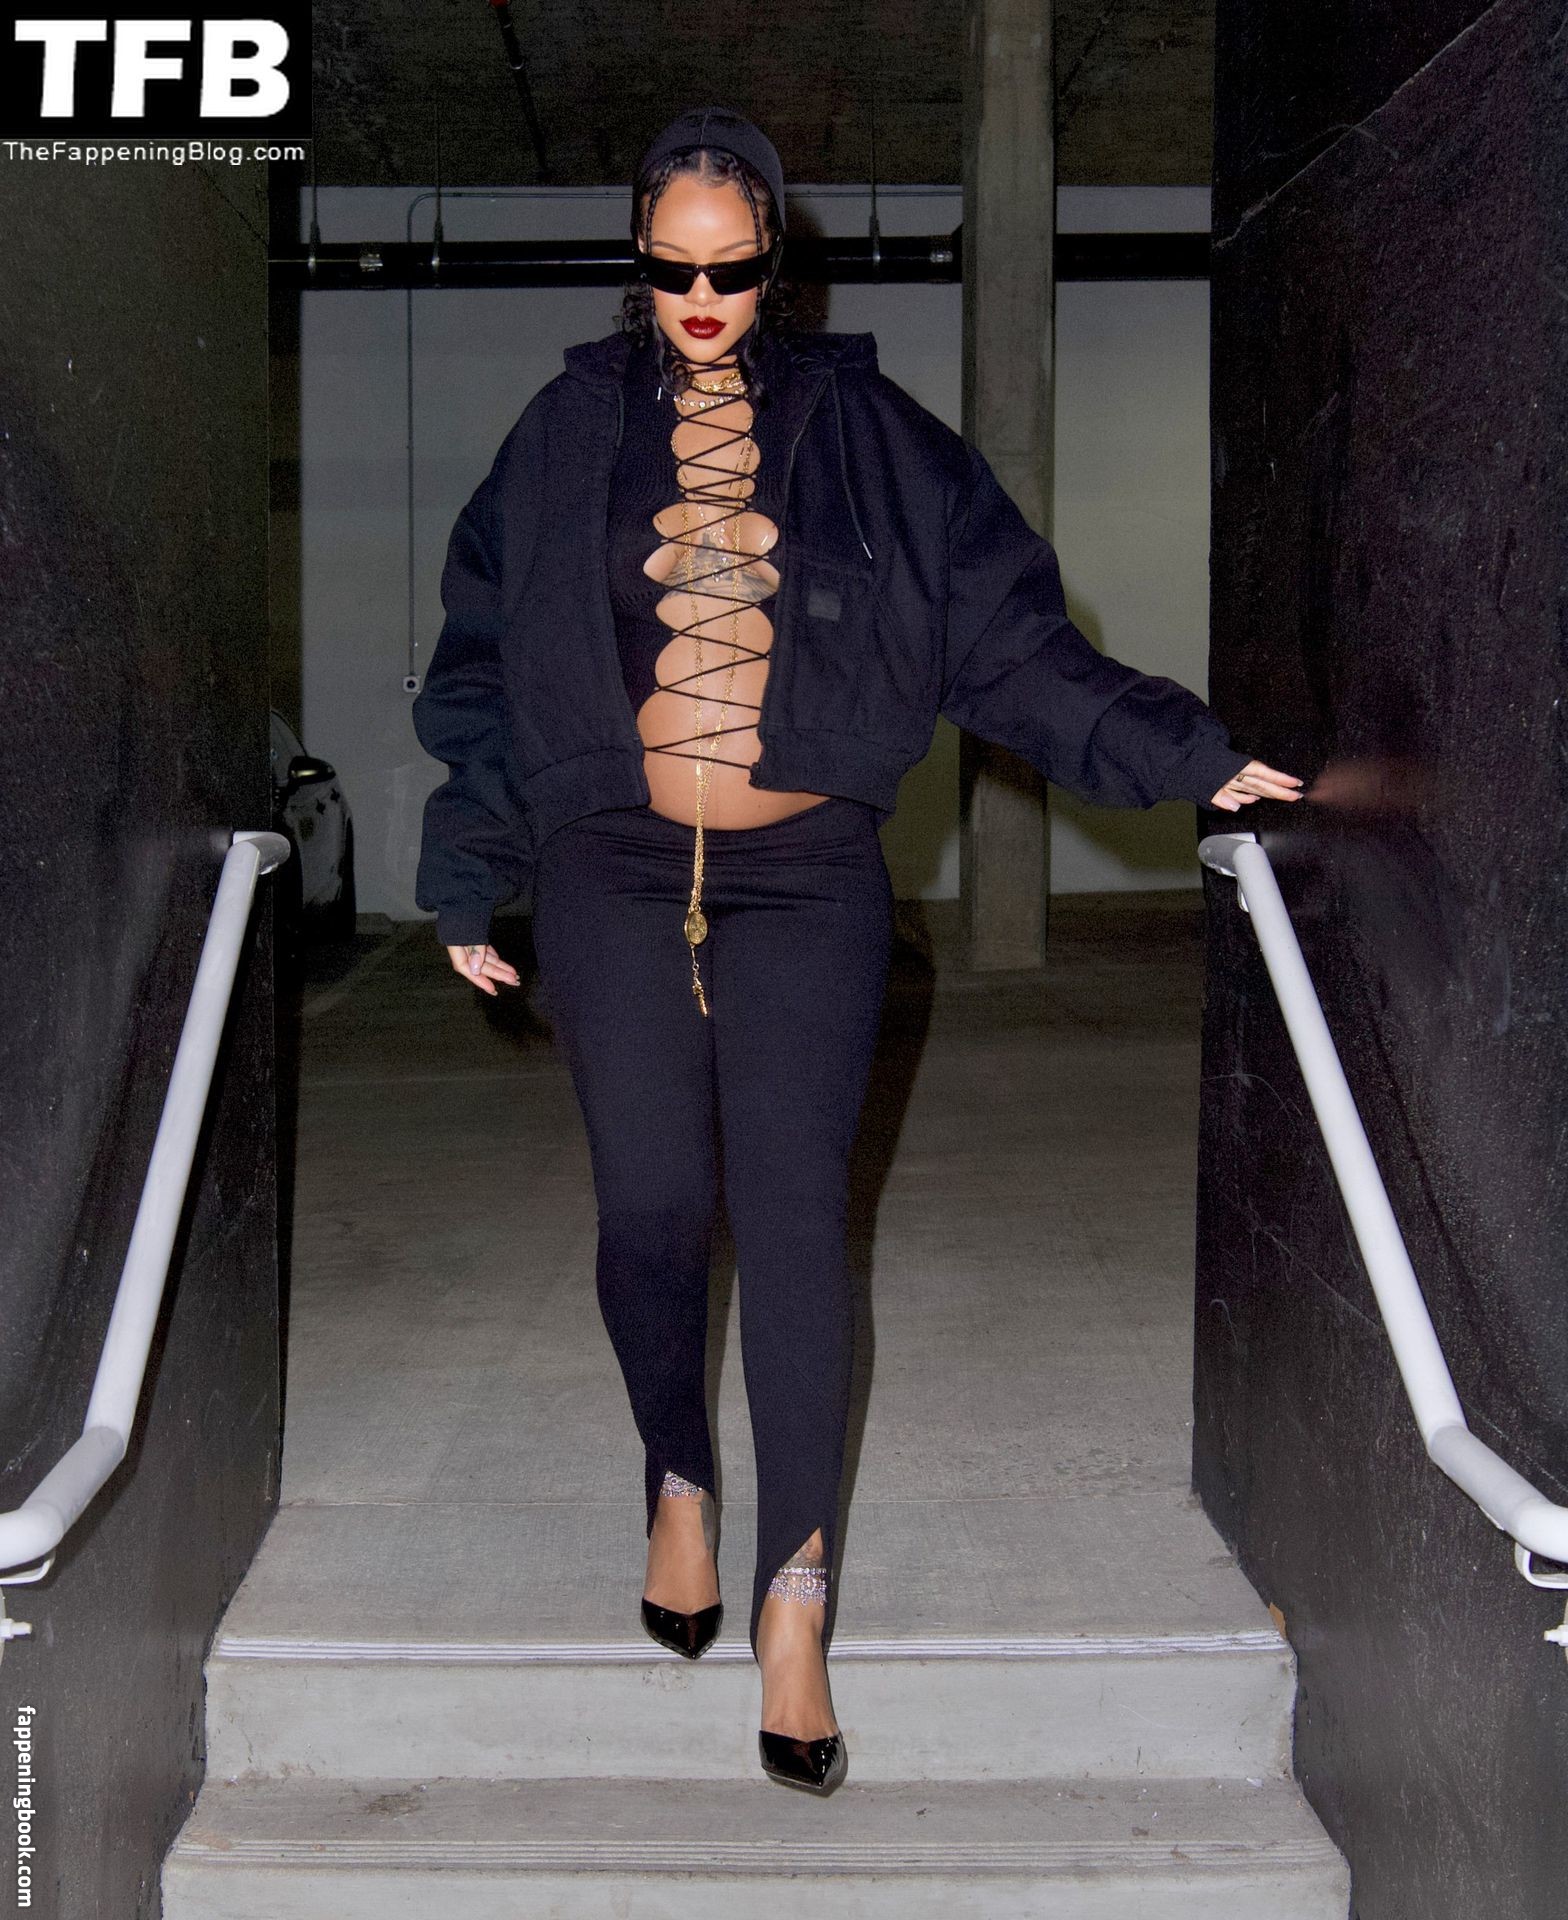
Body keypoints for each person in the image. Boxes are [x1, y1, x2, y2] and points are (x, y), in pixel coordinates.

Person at [411, 105, 1304, 1796]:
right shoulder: (563, 433)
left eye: (732, 268)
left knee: (798, 1225)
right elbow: (485, 666)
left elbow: (1011, 641)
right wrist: (471, 869)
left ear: (777, 263)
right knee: (652, 1211)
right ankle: (677, 1474)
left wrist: (1181, 750)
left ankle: (795, 1601)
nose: (701, 299)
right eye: (671, 269)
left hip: (809, 875)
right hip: (609, 868)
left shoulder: (876, 434)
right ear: (637, 263)